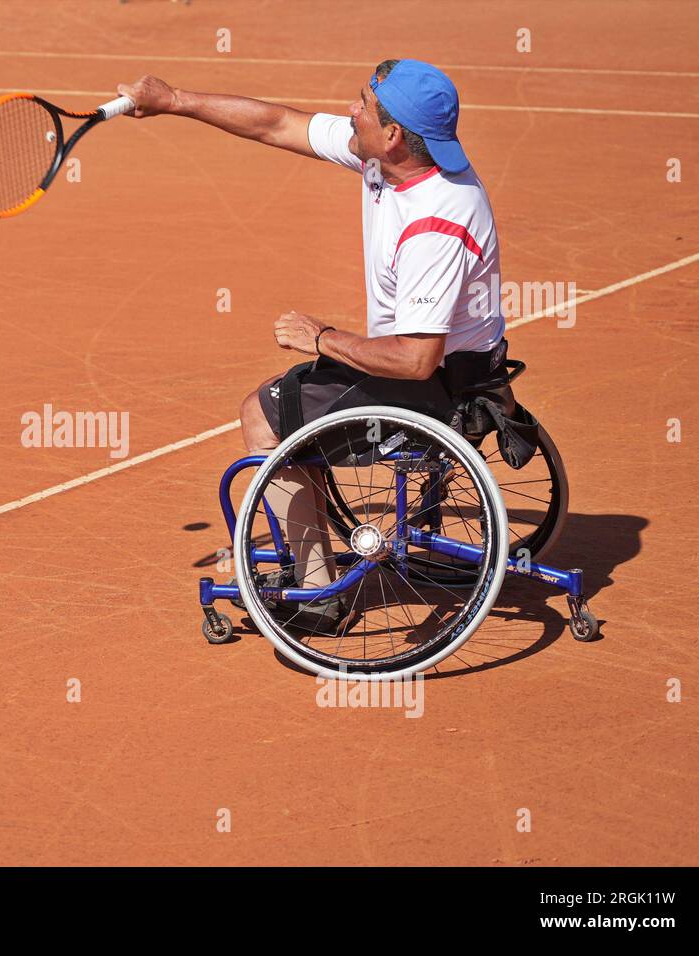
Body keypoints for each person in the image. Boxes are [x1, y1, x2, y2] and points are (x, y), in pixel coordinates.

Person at [117, 59, 507, 630]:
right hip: (458, 361)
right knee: (306, 399)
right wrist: (175, 100)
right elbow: (280, 125)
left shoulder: (434, 223)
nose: (351, 111)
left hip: (434, 386)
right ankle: (314, 532)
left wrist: (321, 338)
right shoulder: (393, 161)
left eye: (363, 106)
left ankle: (319, 592)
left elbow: (415, 359)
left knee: (265, 414)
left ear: (394, 134)